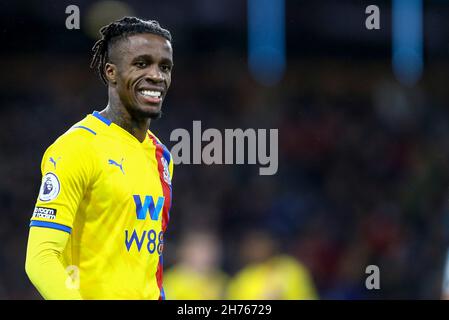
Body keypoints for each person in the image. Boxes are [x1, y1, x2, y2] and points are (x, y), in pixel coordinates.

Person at [25, 16, 174, 300]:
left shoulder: (162, 156)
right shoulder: (77, 147)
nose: (157, 76)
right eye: (142, 64)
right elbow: (41, 257)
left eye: (164, 67)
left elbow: (148, 264)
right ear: (111, 72)